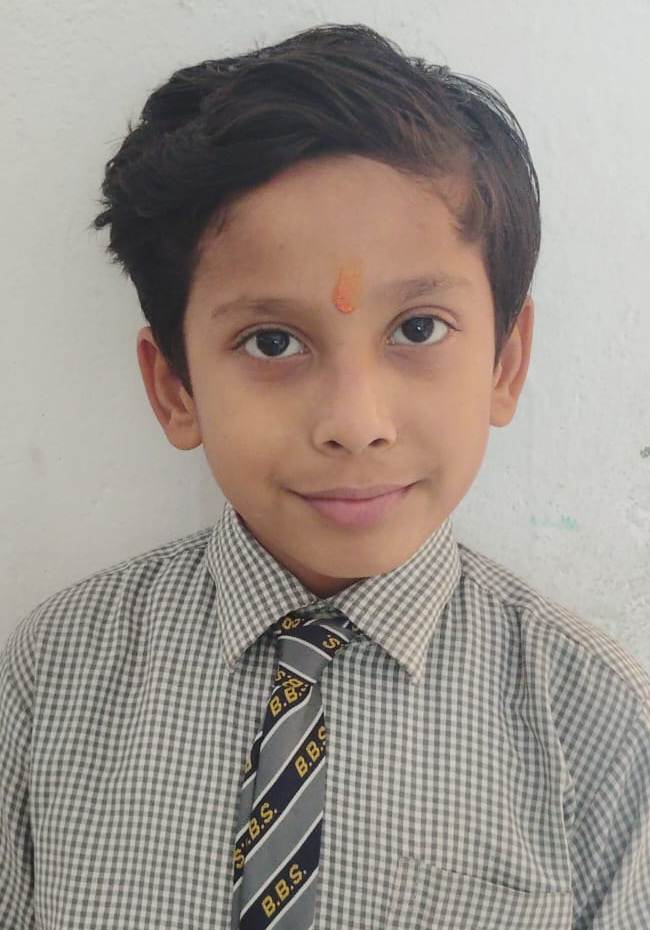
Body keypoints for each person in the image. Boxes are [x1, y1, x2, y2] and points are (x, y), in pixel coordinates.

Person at [1, 21, 648, 930]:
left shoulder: (599, 722)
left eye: (418, 329)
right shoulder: (56, 675)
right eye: (272, 342)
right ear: (175, 387)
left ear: (505, 363)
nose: (355, 422)